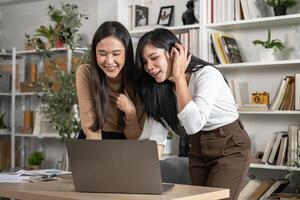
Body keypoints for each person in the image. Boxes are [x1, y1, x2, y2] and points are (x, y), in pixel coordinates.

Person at [134, 28, 251, 200]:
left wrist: (179, 77)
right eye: (144, 62)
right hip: (197, 149)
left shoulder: (207, 75)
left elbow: (193, 124)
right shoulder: (158, 88)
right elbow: (156, 138)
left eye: (154, 57)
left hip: (230, 146)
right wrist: (142, 178)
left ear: (175, 53)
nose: (149, 67)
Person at [76, 21, 144, 140]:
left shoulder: (139, 77)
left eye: (116, 54)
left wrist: (130, 113)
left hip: (125, 142)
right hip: (94, 141)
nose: (109, 61)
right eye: (102, 54)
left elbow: (135, 137)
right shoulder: (86, 72)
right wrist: (99, 157)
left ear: (127, 53)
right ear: (94, 53)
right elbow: (91, 129)